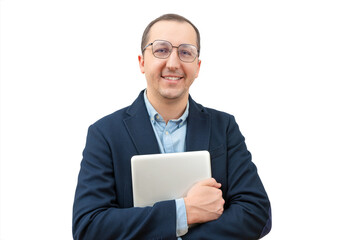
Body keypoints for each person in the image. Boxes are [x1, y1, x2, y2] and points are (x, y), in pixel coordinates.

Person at [73, 13, 271, 240]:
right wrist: (184, 212)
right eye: (161, 50)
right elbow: (88, 227)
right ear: (142, 62)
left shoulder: (224, 127)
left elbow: (256, 212)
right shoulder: (105, 134)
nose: (174, 63)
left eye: (186, 52)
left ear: (197, 67)